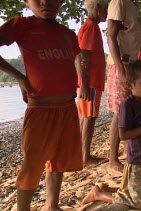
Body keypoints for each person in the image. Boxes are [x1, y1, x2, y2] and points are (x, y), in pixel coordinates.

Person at [0, 0, 83, 210]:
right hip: (40, 110)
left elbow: (75, 59)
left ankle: (52, 205)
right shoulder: (21, 25)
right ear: (27, 1)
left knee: (59, 160)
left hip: (67, 107)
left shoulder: (68, 34)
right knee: (32, 163)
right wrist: (19, 77)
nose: (46, 2)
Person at [82, 60, 141, 209]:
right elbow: (123, 135)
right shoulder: (127, 105)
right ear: (130, 85)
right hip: (136, 159)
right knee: (135, 202)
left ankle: (108, 189)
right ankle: (98, 194)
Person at [105, 0, 141, 173]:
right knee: (120, 111)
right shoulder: (118, 2)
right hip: (120, 65)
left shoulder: (132, 5)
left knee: (130, 108)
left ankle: (128, 151)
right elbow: (111, 35)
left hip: (132, 65)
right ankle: (112, 160)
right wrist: (120, 67)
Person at [76, 0, 108, 166]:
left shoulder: (89, 26)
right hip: (91, 82)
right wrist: (85, 84)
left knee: (86, 117)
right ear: (97, 8)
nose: (107, 13)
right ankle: (85, 157)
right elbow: (82, 55)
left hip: (90, 82)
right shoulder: (91, 27)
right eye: (106, 9)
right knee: (89, 118)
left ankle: (82, 154)